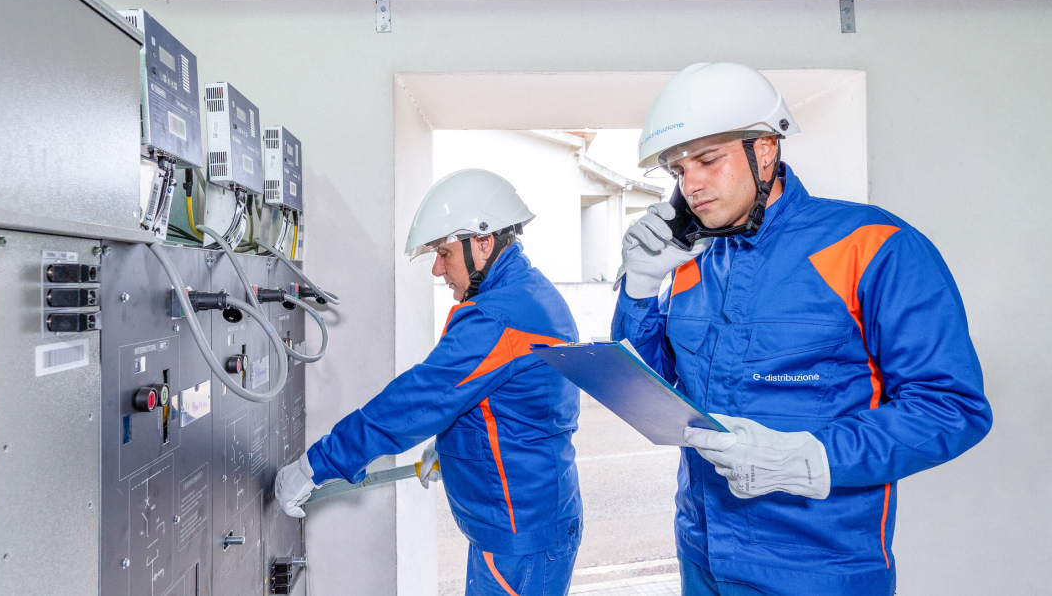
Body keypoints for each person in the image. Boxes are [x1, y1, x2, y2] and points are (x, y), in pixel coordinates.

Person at [613, 63, 992, 596]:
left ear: (765, 149)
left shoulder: (873, 245)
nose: (690, 184)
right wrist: (638, 289)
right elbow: (651, 390)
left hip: (818, 567)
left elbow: (951, 408)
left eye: (707, 159)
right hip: (702, 553)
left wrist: (811, 457)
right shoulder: (691, 262)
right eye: (678, 170)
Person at [275, 169, 584, 596]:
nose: (438, 269)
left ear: (483, 241)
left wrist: (317, 465)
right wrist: (456, 445)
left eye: (443, 252)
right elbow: (521, 403)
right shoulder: (527, 293)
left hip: (519, 540)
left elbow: (419, 399)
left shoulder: (497, 317)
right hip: (525, 525)